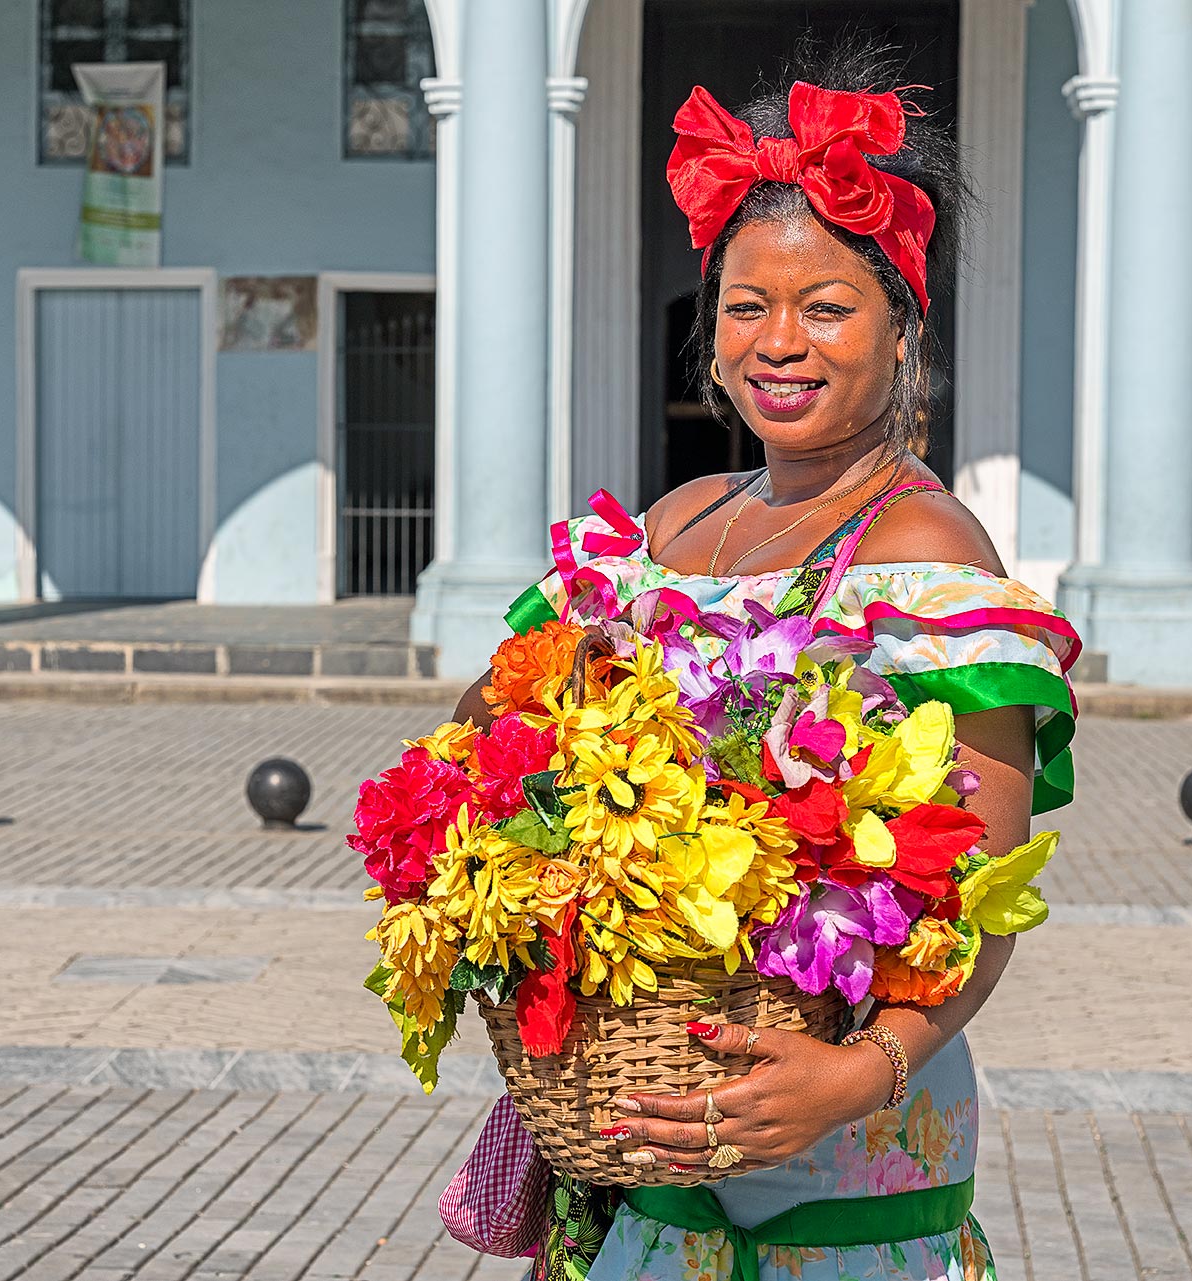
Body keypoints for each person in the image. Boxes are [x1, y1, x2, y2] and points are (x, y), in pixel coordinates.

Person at [452, 41, 1079, 1281]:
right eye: (747, 305)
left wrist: (854, 1074)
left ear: (902, 335)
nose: (779, 342)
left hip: (834, 1149)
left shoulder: (921, 545)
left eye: (827, 307)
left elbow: (983, 892)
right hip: (637, 1130)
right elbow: (484, 724)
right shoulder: (676, 520)